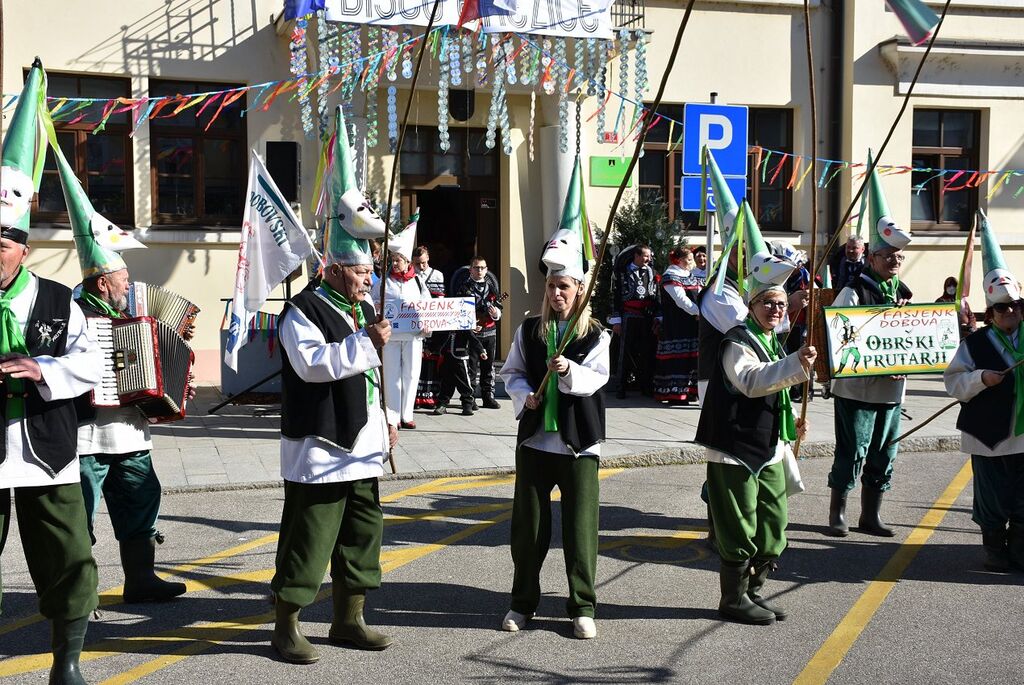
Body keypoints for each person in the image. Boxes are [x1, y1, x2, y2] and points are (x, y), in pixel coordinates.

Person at [270, 106, 397, 664]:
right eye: (361, 271)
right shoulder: (302, 310)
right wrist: (367, 342)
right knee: (310, 536)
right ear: (335, 268)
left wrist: (388, 420)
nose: (369, 278)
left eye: (370, 270)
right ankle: (286, 625)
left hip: (363, 442)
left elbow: (372, 373)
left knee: (362, 533)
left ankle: (350, 617)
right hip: (320, 446)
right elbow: (312, 365)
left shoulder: (361, 308)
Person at [48, 127, 189, 605]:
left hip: (130, 434)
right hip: (86, 437)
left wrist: (172, 379)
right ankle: (78, 595)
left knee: (141, 506)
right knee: (79, 517)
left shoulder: (133, 316)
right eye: (123, 279)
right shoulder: (69, 313)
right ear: (102, 282)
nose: (129, 286)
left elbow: (154, 367)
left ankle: (141, 580)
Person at [0, 58, 104, 684]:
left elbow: (89, 364)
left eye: (2, 242)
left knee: (68, 556)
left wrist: (40, 371)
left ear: (23, 247)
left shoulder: (59, 300)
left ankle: (67, 663)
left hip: (46, 446)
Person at [499, 160, 610, 639]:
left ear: (580, 289)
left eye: (564, 286)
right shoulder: (529, 330)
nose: (556, 292)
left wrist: (569, 373)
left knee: (580, 532)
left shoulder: (596, 335)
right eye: (551, 285)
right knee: (528, 530)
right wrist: (524, 394)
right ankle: (522, 602)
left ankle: (582, 605)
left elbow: (597, 381)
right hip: (534, 443)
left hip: (579, 444)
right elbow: (511, 374)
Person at [696, 275, 815, 625]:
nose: (775, 310)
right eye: (767, 303)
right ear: (751, 306)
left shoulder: (770, 339)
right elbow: (750, 381)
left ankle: (753, 591)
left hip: (769, 446)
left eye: (781, 304)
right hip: (735, 447)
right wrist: (796, 363)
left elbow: (775, 390)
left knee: (773, 522)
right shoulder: (737, 341)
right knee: (739, 524)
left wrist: (791, 419)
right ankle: (733, 598)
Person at [826, 153, 913, 538]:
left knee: (884, 451)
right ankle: (838, 512)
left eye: (899, 256)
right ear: (872, 257)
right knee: (852, 450)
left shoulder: (906, 295)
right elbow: (842, 338)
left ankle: (870, 515)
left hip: (892, 390)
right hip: (858, 389)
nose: (895, 260)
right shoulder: (853, 292)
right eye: (888, 255)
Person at [943, 209, 1024, 572]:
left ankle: (1019, 548)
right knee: (992, 498)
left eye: (1016, 306)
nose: (1010, 312)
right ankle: (994, 548)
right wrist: (980, 379)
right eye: (1002, 307)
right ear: (990, 312)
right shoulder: (974, 345)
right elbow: (953, 384)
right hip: (989, 437)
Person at [383, 213, 431, 429]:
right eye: (393, 260)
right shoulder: (384, 282)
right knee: (392, 374)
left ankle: (407, 414)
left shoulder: (418, 282)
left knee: (411, 374)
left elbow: (428, 306)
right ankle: (392, 416)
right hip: (391, 336)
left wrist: (427, 325)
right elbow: (373, 302)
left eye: (398, 260)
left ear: (407, 262)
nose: (395, 263)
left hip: (413, 335)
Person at [453, 256, 503, 409]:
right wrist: (470, 324)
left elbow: (499, 307)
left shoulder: (491, 287)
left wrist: (496, 313)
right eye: (476, 267)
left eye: (482, 267)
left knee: (489, 367)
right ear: (471, 270)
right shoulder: (464, 287)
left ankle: (488, 397)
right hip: (473, 334)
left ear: (486, 270)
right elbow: (459, 310)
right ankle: (471, 398)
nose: (479, 270)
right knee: (472, 367)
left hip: (490, 332)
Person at [609, 244, 658, 399]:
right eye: (645, 256)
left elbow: (656, 295)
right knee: (624, 353)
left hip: (647, 317)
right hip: (628, 316)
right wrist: (616, 320)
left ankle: (646, 386)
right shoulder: (622, 273)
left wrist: (657, 316)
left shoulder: (652, 272)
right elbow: (615, 296)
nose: (648, 259)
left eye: (649, 256)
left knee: (646, 352)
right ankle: (621, 387)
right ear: (636, 256)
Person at [653, 247, 700, 404]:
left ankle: (690, 391)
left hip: (692, 323)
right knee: (678, 357)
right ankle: (675, 394)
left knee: (692, 356)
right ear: (679, 260)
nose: (692, 262)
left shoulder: (690, 275)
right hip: (676, 323)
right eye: (689, 259)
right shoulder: (670, 276)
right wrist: (698, 312)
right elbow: (681, 300)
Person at [412, 244, 446, 411]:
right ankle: (415, 397)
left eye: (424, 263)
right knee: (416, 359)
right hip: (413, 322)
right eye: (418, 263)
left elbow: (440, 300)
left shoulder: (437, 275)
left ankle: (430, 395)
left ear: (428, 259)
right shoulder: (410, 275)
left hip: (432, 323)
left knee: (431, 359)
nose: (421, 266)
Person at [935, 275, 977, 340]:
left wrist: (972, 326)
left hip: (967, 329)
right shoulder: (941, 301)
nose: (952, 288)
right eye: (949, 286)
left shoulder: (962, 301)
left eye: (954, 286)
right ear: (945, 287)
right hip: (951, 331)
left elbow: (972, 317)